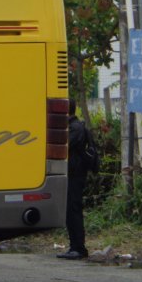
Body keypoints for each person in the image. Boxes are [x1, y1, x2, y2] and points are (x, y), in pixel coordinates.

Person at [57, 98, 89, 260]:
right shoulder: (73, 127)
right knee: (70, 210)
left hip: (75, 175)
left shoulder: (75, 128)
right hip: (72, 174)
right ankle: (75, 246)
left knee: (73, 210)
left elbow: (64, 144)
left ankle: (78, 248)